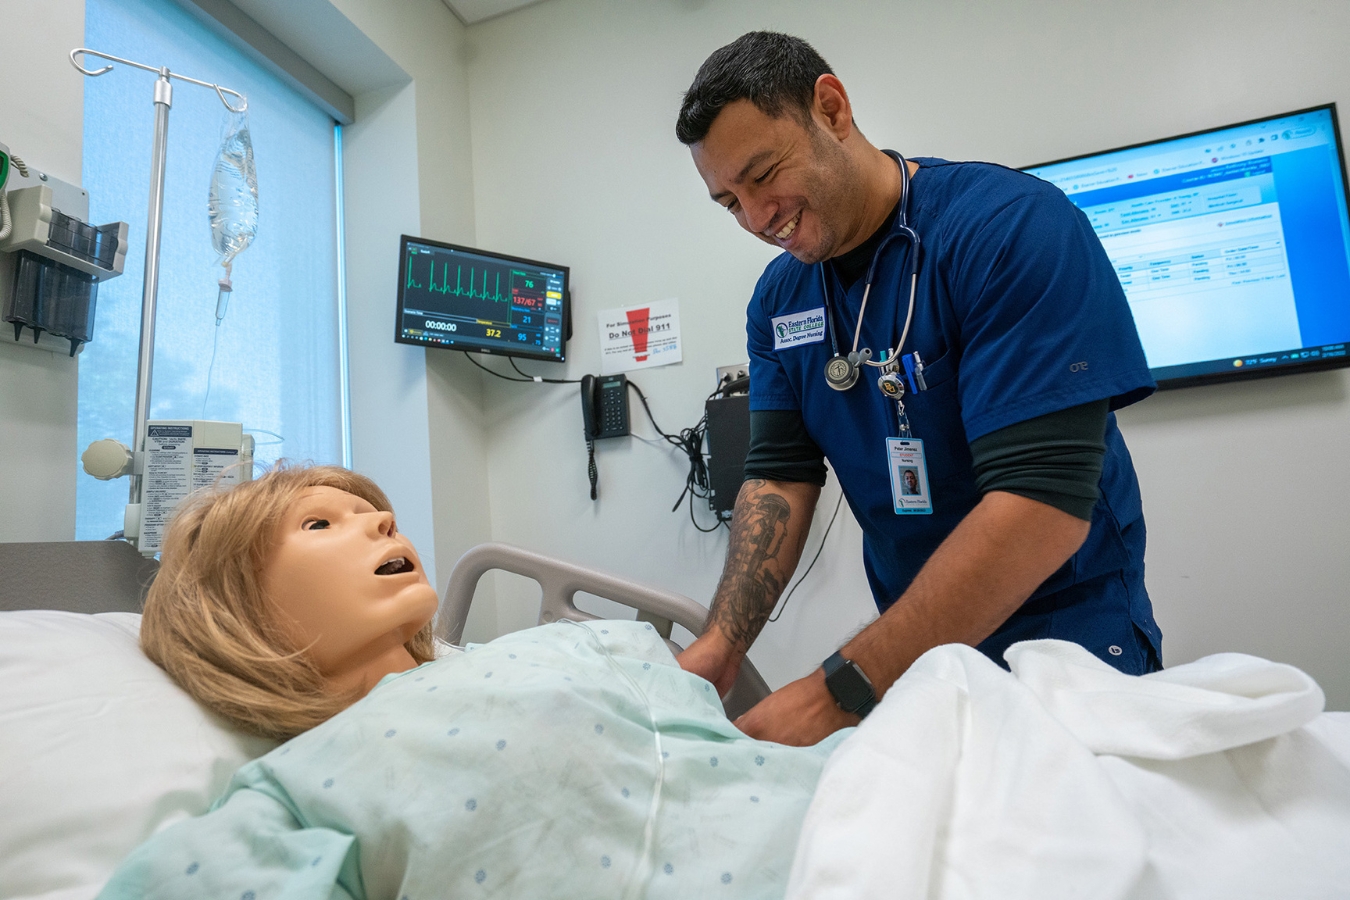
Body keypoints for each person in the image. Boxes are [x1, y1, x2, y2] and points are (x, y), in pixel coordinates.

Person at [673, 32, 1163, 747]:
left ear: (832, 108)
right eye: (729, 203)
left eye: (763, 173)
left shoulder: (1008, 228)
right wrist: (719, 645)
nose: (755, 218)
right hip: (919, 650)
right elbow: (778, 477)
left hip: (1068, 635)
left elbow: (1042, 506)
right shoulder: (779, 302)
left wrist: (836, 689)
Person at [106, 464, 841, 899]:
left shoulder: (556, 648)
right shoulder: (303, 786)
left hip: (850, 813)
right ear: (231, 608)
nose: (385, 520)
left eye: (371, 510)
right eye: (321, 525)